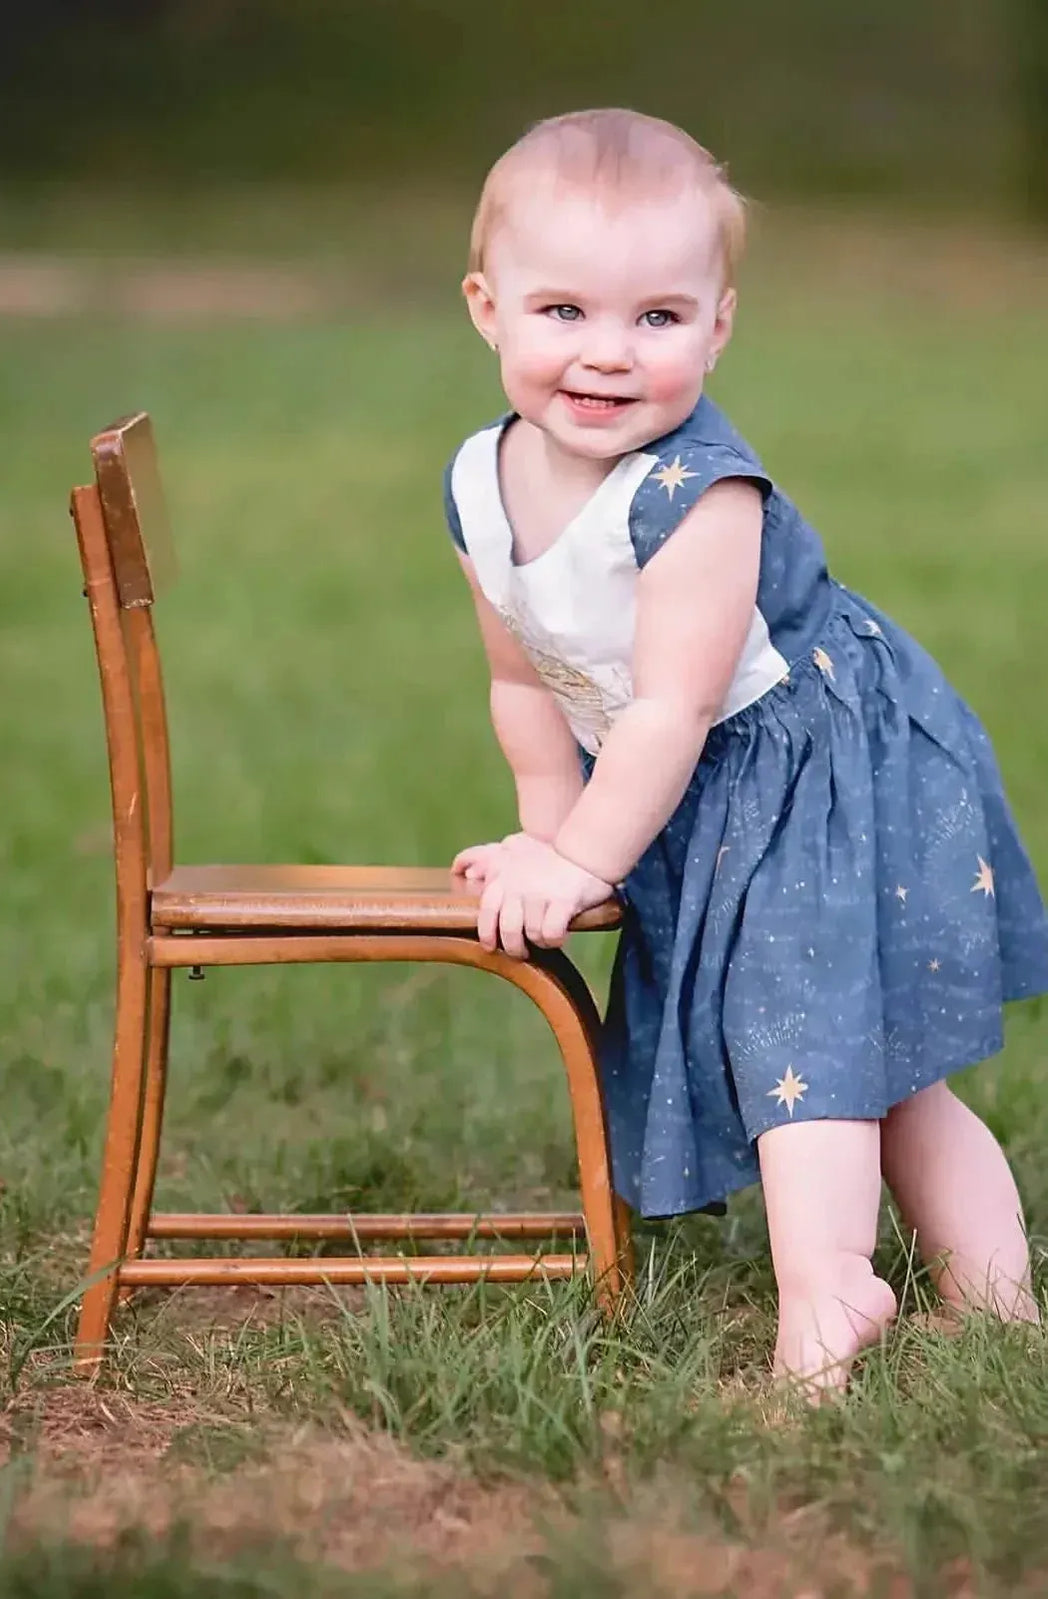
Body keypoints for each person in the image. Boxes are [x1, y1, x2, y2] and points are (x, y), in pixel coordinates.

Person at [443, 108, 1048, 1392]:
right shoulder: (477, 484)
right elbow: (523, 679)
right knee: (862, 1061)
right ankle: (998, 1308)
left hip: (821, 773)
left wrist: (592, 844)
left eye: (658, 318)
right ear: (487, 308)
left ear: (718, 327)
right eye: (564, 313)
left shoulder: (698, 495)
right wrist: (555, 847)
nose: (608, 355)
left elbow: (669, 707)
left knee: (814, 1044)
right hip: (708, 785)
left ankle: (831, 1305)